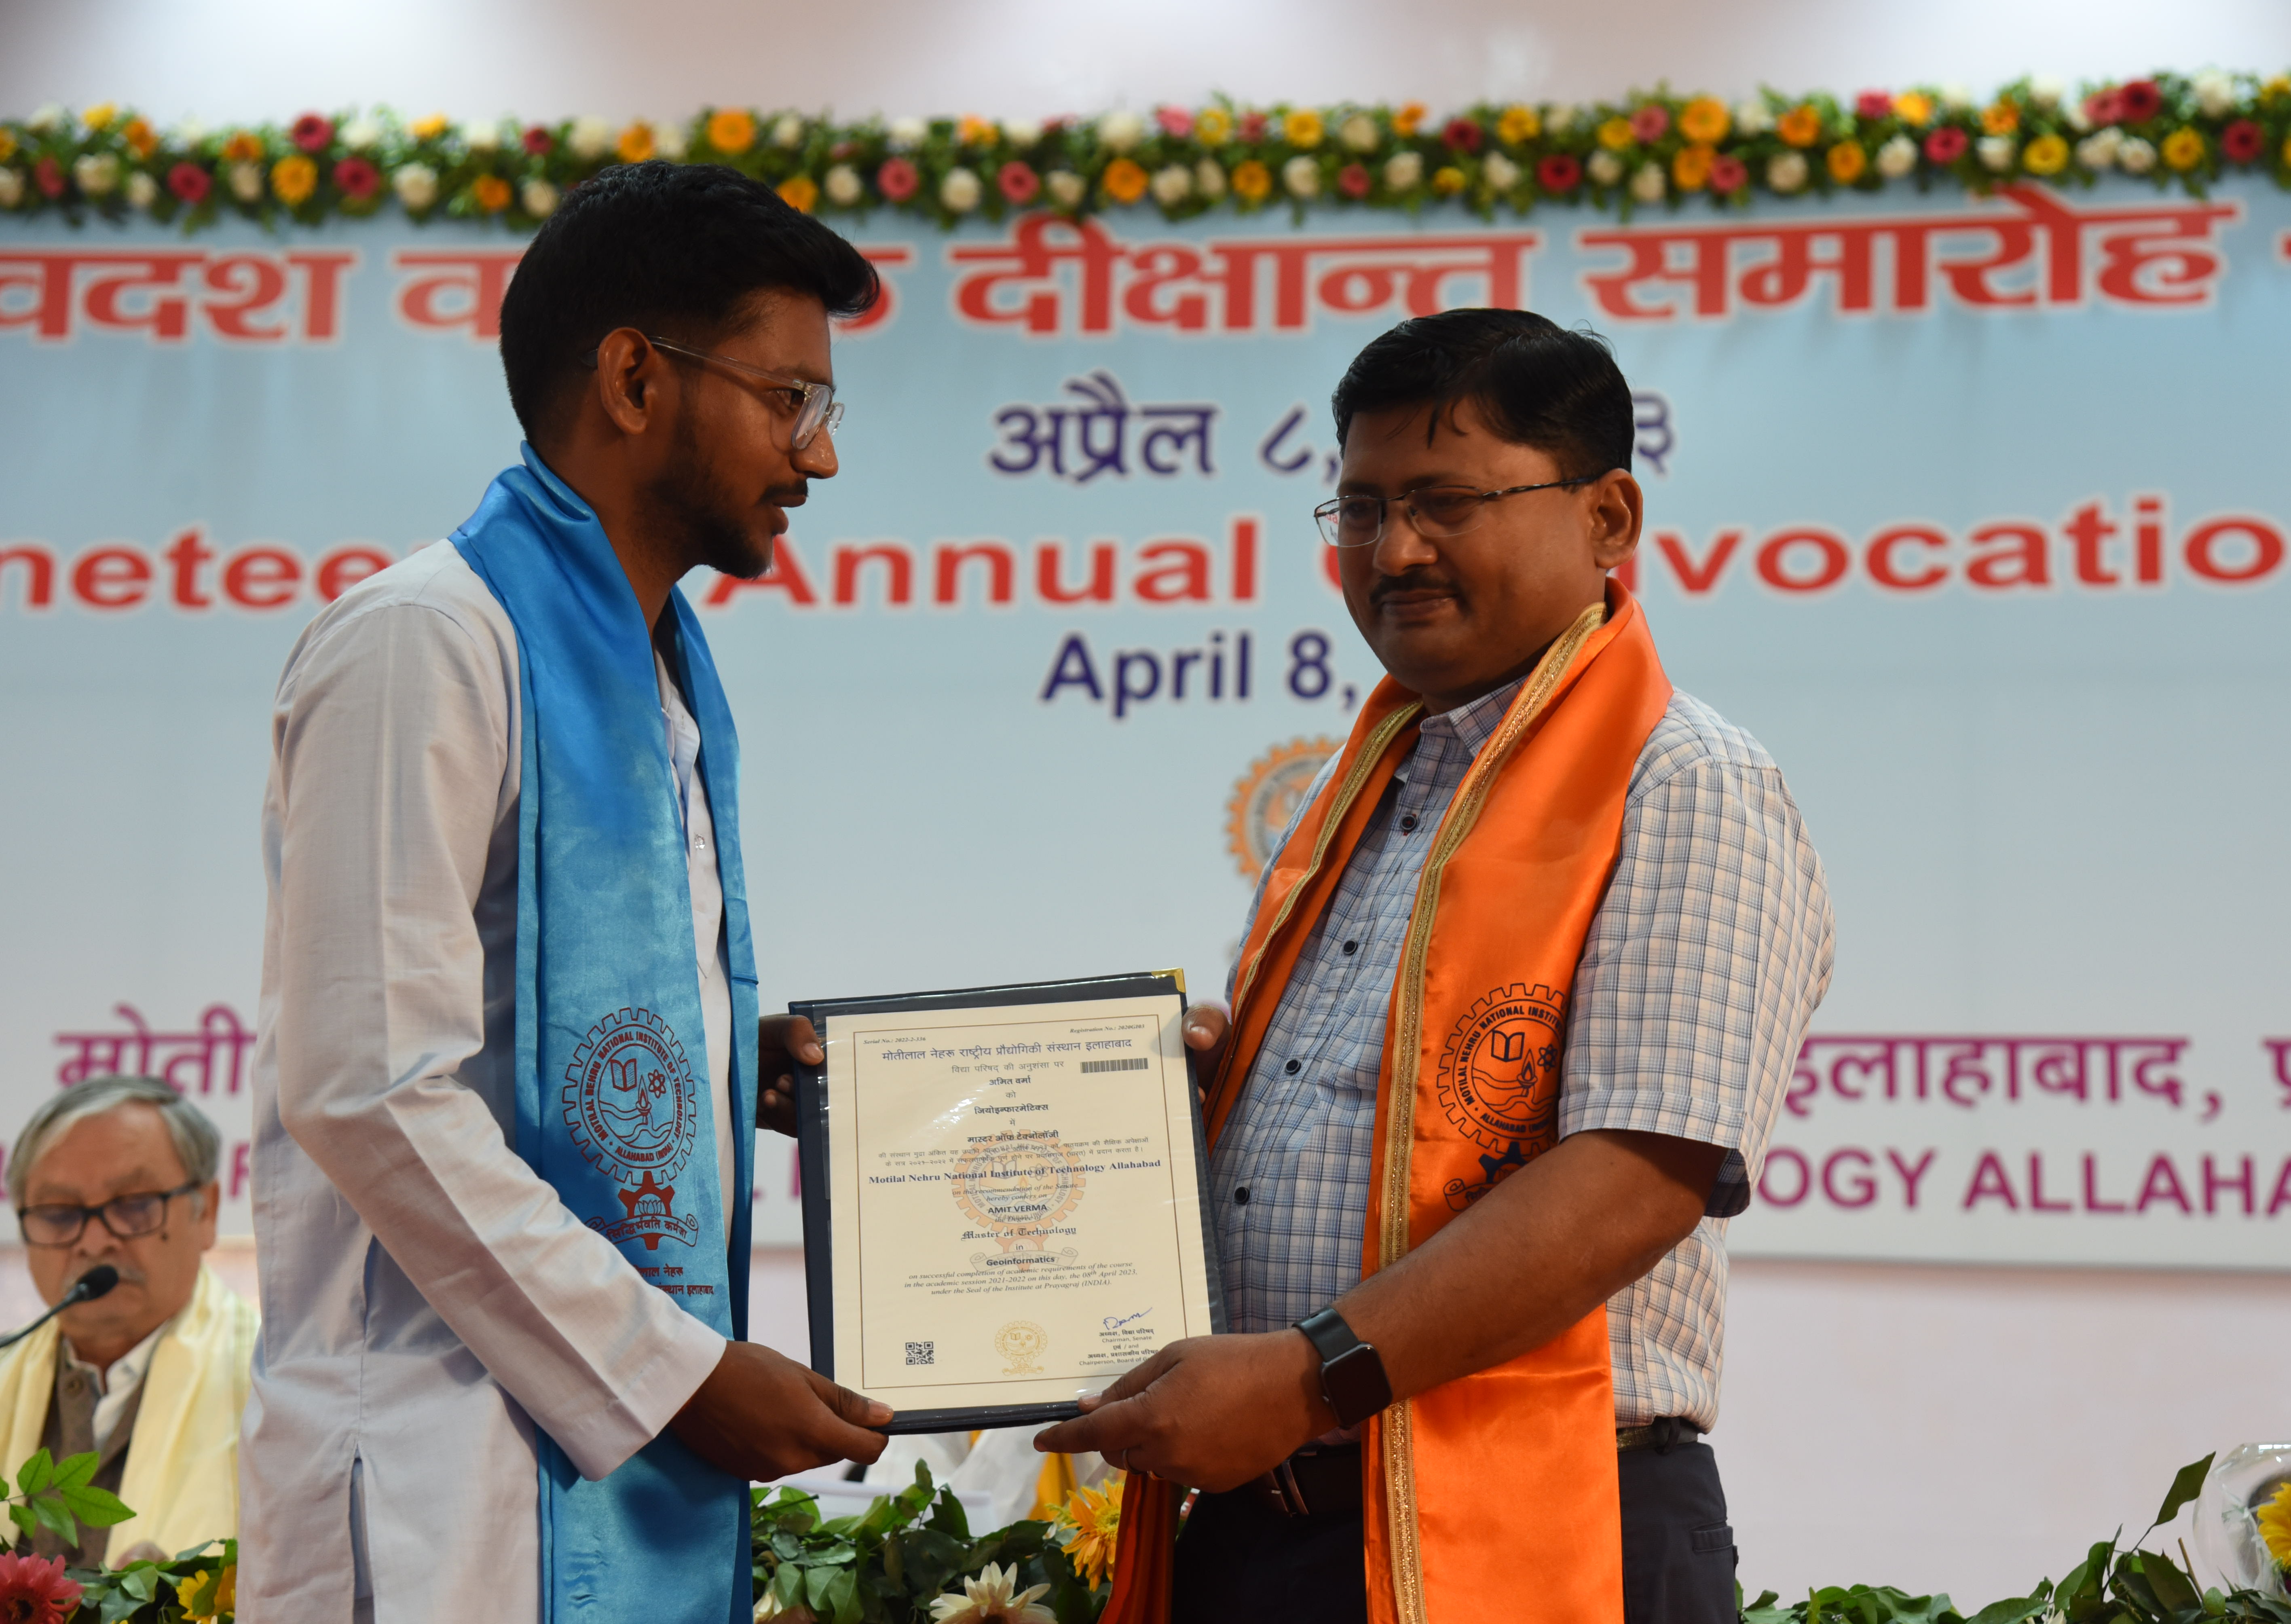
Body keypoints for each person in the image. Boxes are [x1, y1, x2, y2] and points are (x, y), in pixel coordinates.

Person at [1037, 309, 1835, 1624]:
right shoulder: (1375, 782)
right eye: (1359, 509)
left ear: (1608, 516)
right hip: (1273, 1523)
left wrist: (1307, 1379)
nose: (1392, 550)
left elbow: (1635, 1180)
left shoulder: (1682, 780)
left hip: (1536, 1522)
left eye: (1444, 503)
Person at [243, 161, 892, 1624]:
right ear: (634, 378)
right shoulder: (426, 641)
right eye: (790, 399)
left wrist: (724, 1065)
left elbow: (532, 1025)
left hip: (569, 1451)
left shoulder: (657, 675)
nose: (818, 456)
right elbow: (369, 1087)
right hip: (442, 1491)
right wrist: (677, 1375)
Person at [0, 1075, 256, 1567]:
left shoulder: (281, 1388)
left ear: (207, 1212)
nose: (95, 1243)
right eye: (59, 1213)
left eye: (134, 1205)